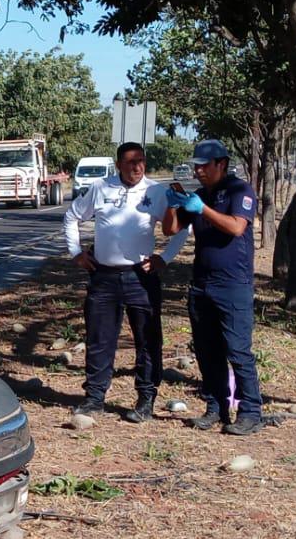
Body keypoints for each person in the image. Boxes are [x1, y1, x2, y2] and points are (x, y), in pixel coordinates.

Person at [62, 141, 191, 422]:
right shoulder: (101, 187)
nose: (137, 167)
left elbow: (181, 228)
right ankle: (95, 398)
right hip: (104, 277)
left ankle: (146, 399)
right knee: (99, 339)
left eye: (141, 161)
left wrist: (165, 258)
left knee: (147, 340)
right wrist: (75, 253)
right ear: (118, 164)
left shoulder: (157, 192)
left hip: (140, 278)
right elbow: (72, 216)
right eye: (131, 162)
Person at [165, 140, 262, 435]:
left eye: (204, 166)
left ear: (221, 163)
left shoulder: (239, 191)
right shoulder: (199, 195)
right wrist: (173, 204)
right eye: (196, 166)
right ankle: (215, 408)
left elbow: (236, 227)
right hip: (202, 284)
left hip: (233, 284)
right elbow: (170, 229)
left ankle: (250, 412)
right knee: (207, 352)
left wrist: (202, 209)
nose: (198, 171)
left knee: (238, 351)